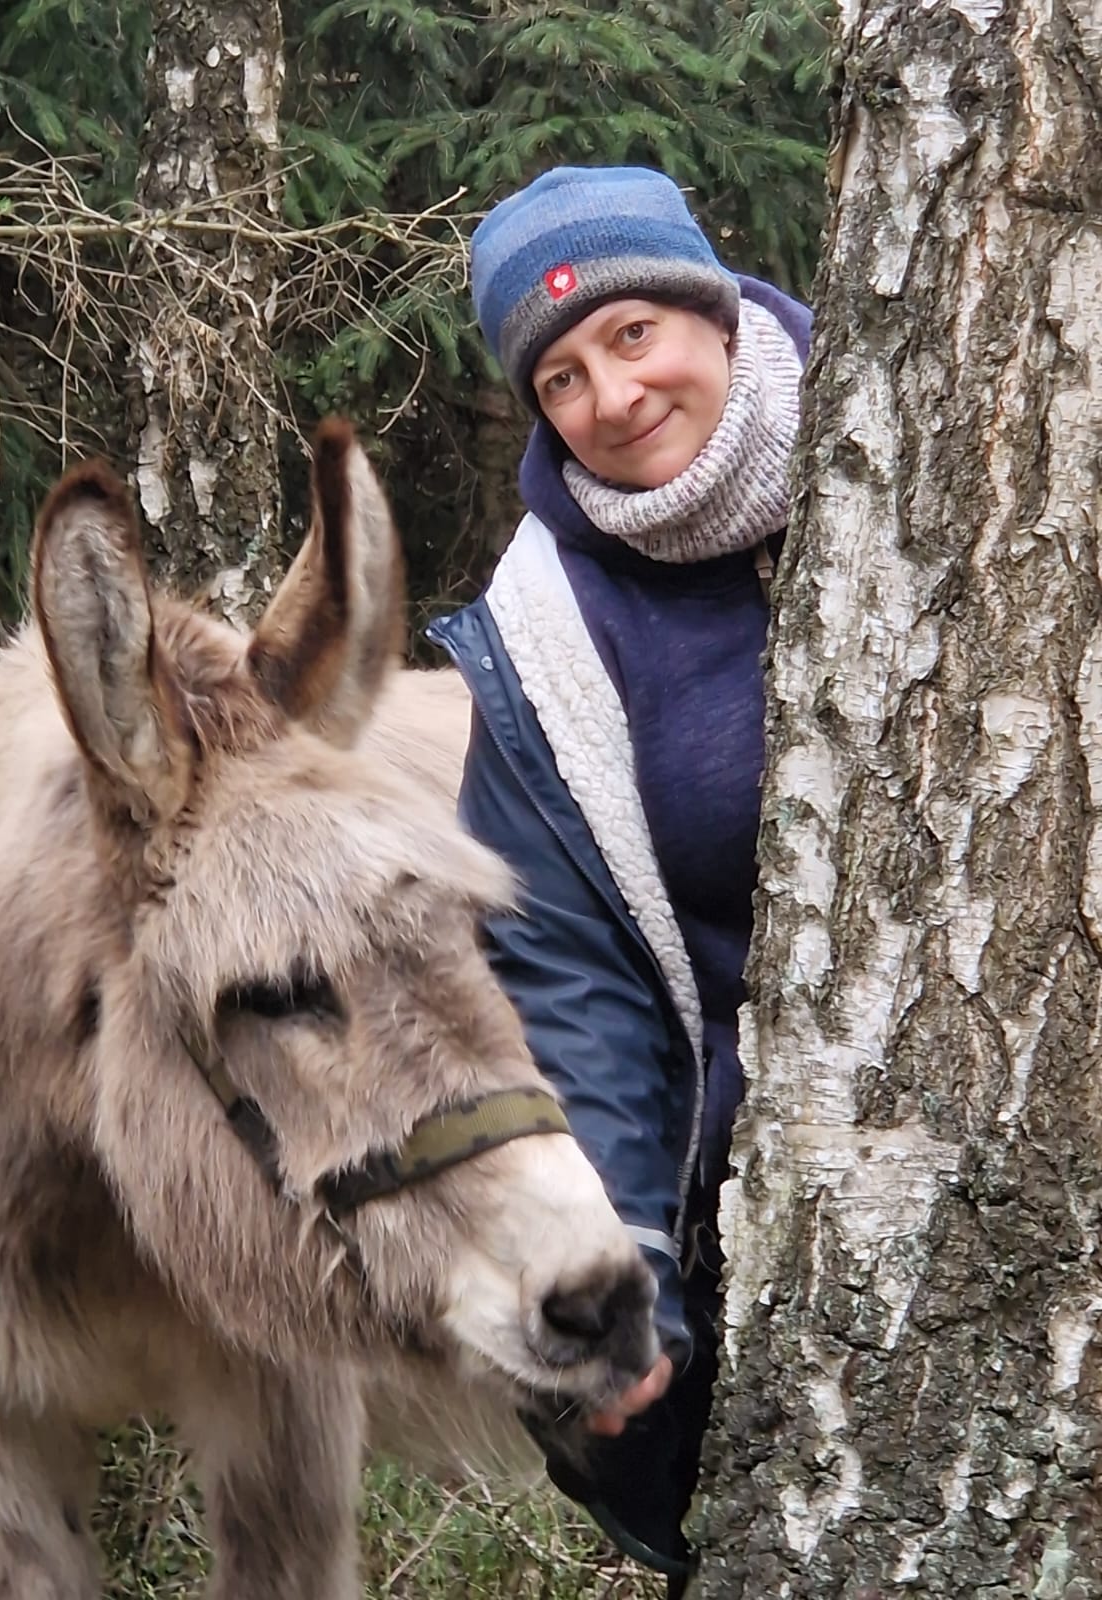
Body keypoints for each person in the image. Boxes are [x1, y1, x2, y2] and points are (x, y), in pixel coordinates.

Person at [428, 165, 810, 1597]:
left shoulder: (950, 456)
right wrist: (625, 1258)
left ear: (715, 315)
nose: (612, 396)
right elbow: (575, 980)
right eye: (563, 378)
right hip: (772, 1184)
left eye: (635, 332)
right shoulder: (544, 635)